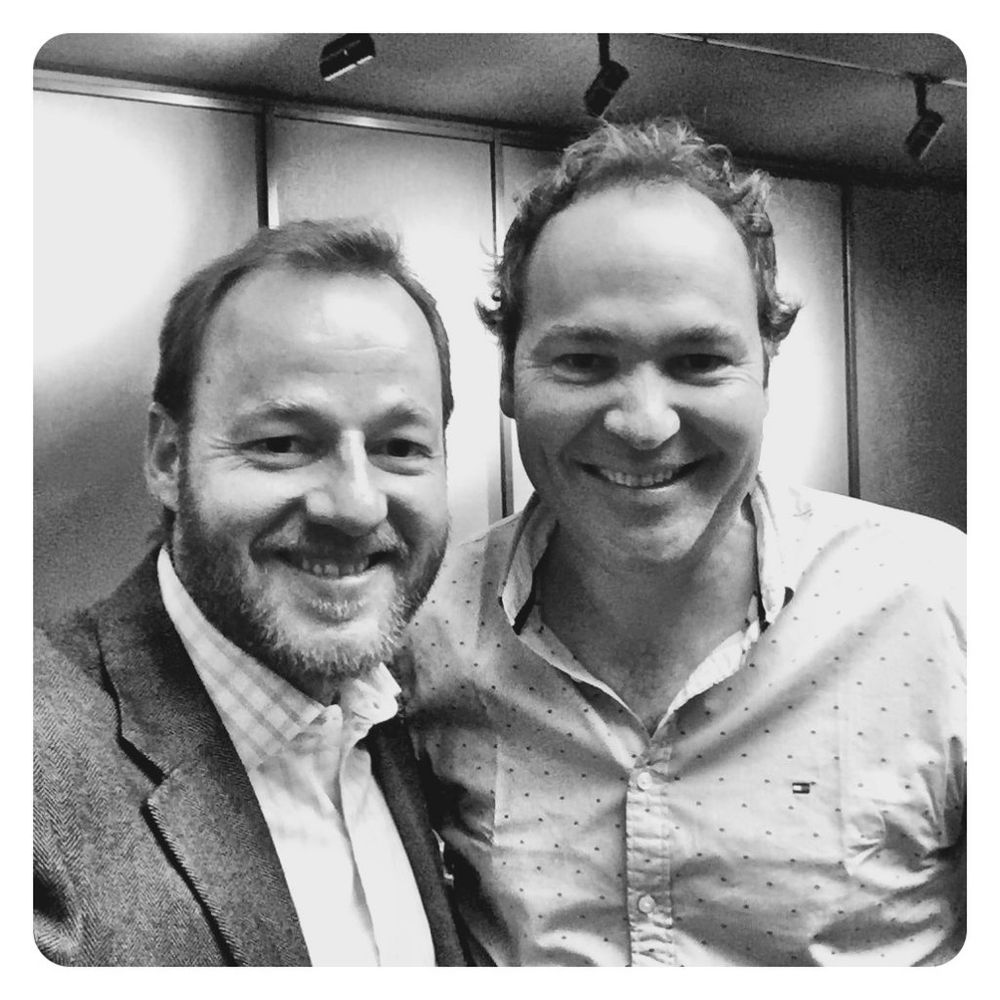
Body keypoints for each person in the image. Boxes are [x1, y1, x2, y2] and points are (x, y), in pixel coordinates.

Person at [401, 120, 966, 966]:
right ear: (508, 376)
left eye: (699, 360)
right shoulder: (424, 635)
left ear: (768, 365)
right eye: (583, 361)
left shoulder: (945, 609)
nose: (643, 424)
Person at [34, 220, 466, 966]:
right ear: (168, 459)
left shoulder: (411, 717)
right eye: (281, 444)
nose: (356, 505)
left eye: (401, 447)